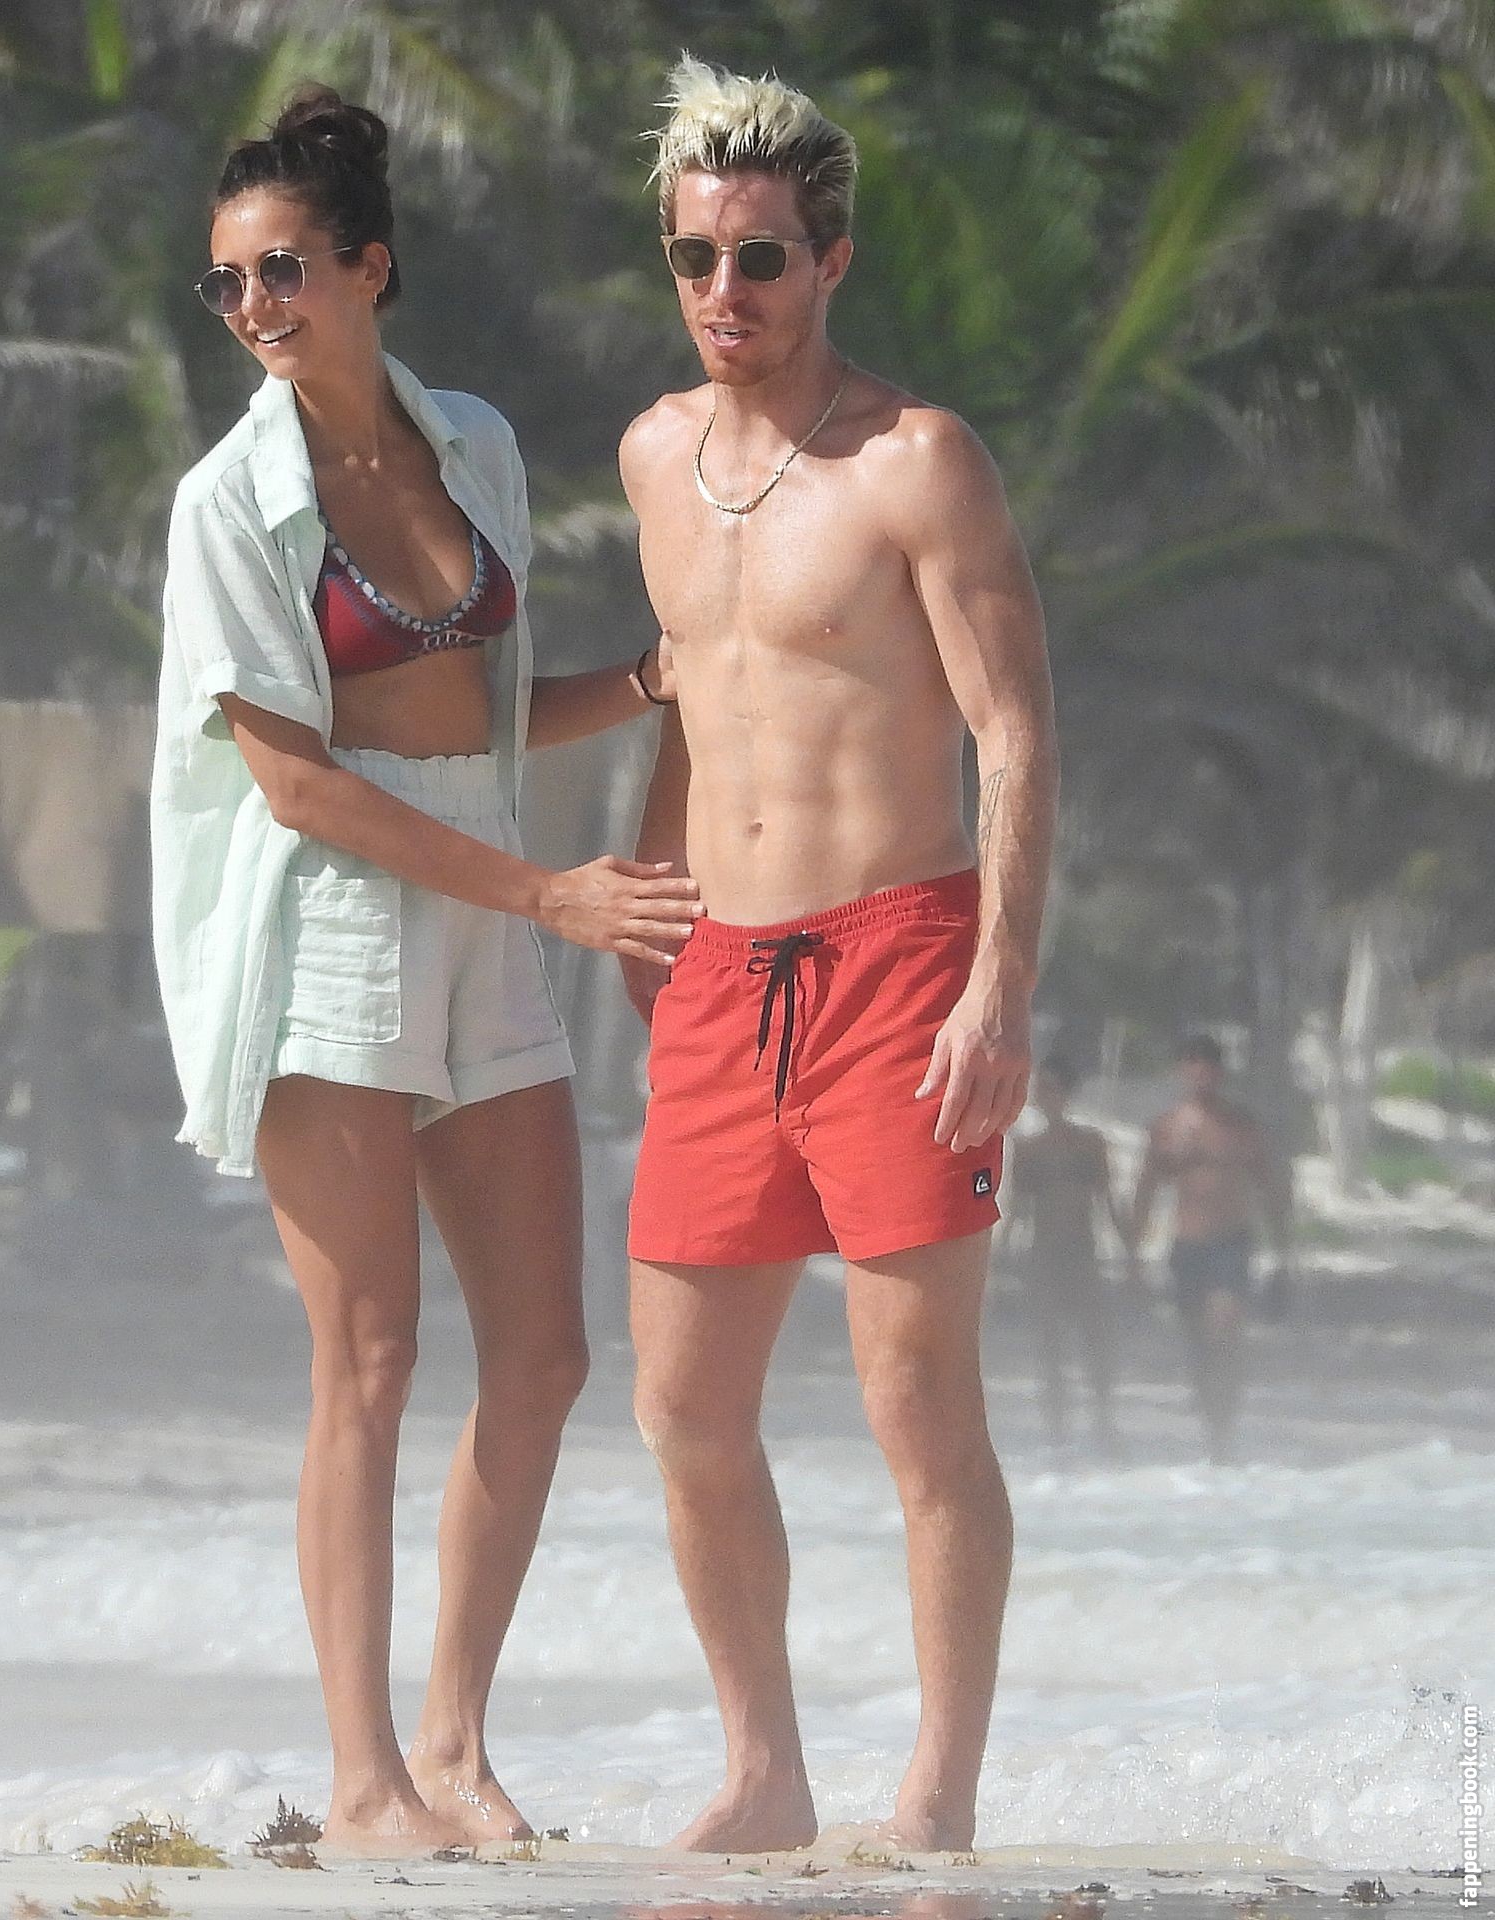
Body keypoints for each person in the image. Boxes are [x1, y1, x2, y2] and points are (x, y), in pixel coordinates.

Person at [148, 87, 701, 1854]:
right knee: (369, 1359)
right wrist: (551, 898)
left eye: (284, 270)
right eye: (229, 283)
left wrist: (653, 680)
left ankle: (453, 1743)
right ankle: (362, 1780)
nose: (254, 306)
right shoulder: (228, 504)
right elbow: (303, 782)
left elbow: (483, 712)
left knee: (545, 1357)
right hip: (333, 920)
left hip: (488, 895)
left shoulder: (473, 444)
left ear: (368, 268)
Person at [617, 57, 1058, 1854]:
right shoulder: (653, 455)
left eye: (761, 257)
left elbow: (1014, 734)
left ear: (832, 260)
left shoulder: (915, 460)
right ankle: (763, 1768)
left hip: (899, 959)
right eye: (696, 257)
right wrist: (654, 884)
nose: (725, 290)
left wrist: (1001, 985)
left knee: (915, 1408)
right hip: (723, 977)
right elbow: (688, 691)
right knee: (682, 1408)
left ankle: (937, 1793)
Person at [1128, 1032, 1295, 1463]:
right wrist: (1133, 1251)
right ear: (1182, 1071)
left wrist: (1282, 1251)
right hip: (1187, 1246)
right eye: (1192, 1066)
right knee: (1198, 1342)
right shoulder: (1167, 1128)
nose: (1200, 1074)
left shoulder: (1240, 1127)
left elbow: (1268, 1186)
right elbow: (1147, 1189)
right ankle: (1211, 1425)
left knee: (1224, 1331)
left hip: (1231, 1244)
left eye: (1207, 1066)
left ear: (1219, 1073)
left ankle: (1225, 1430)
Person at [1000, 1055, 1126, 1459]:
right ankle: (1057, 1430)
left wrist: (1129, 1251)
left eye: (1052, 1089)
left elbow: (1107, 1199)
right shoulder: (1029, 1148)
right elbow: (1017, 1207)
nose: (1045, 1097)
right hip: (1043, 1256)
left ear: (1067, 1093)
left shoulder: (1090, 1144)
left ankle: (1102, 1422)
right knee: (1049, 1345)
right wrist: (1002, 1257)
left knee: (1094, 1341)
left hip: (1082, 1254)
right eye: (1041, 1091)